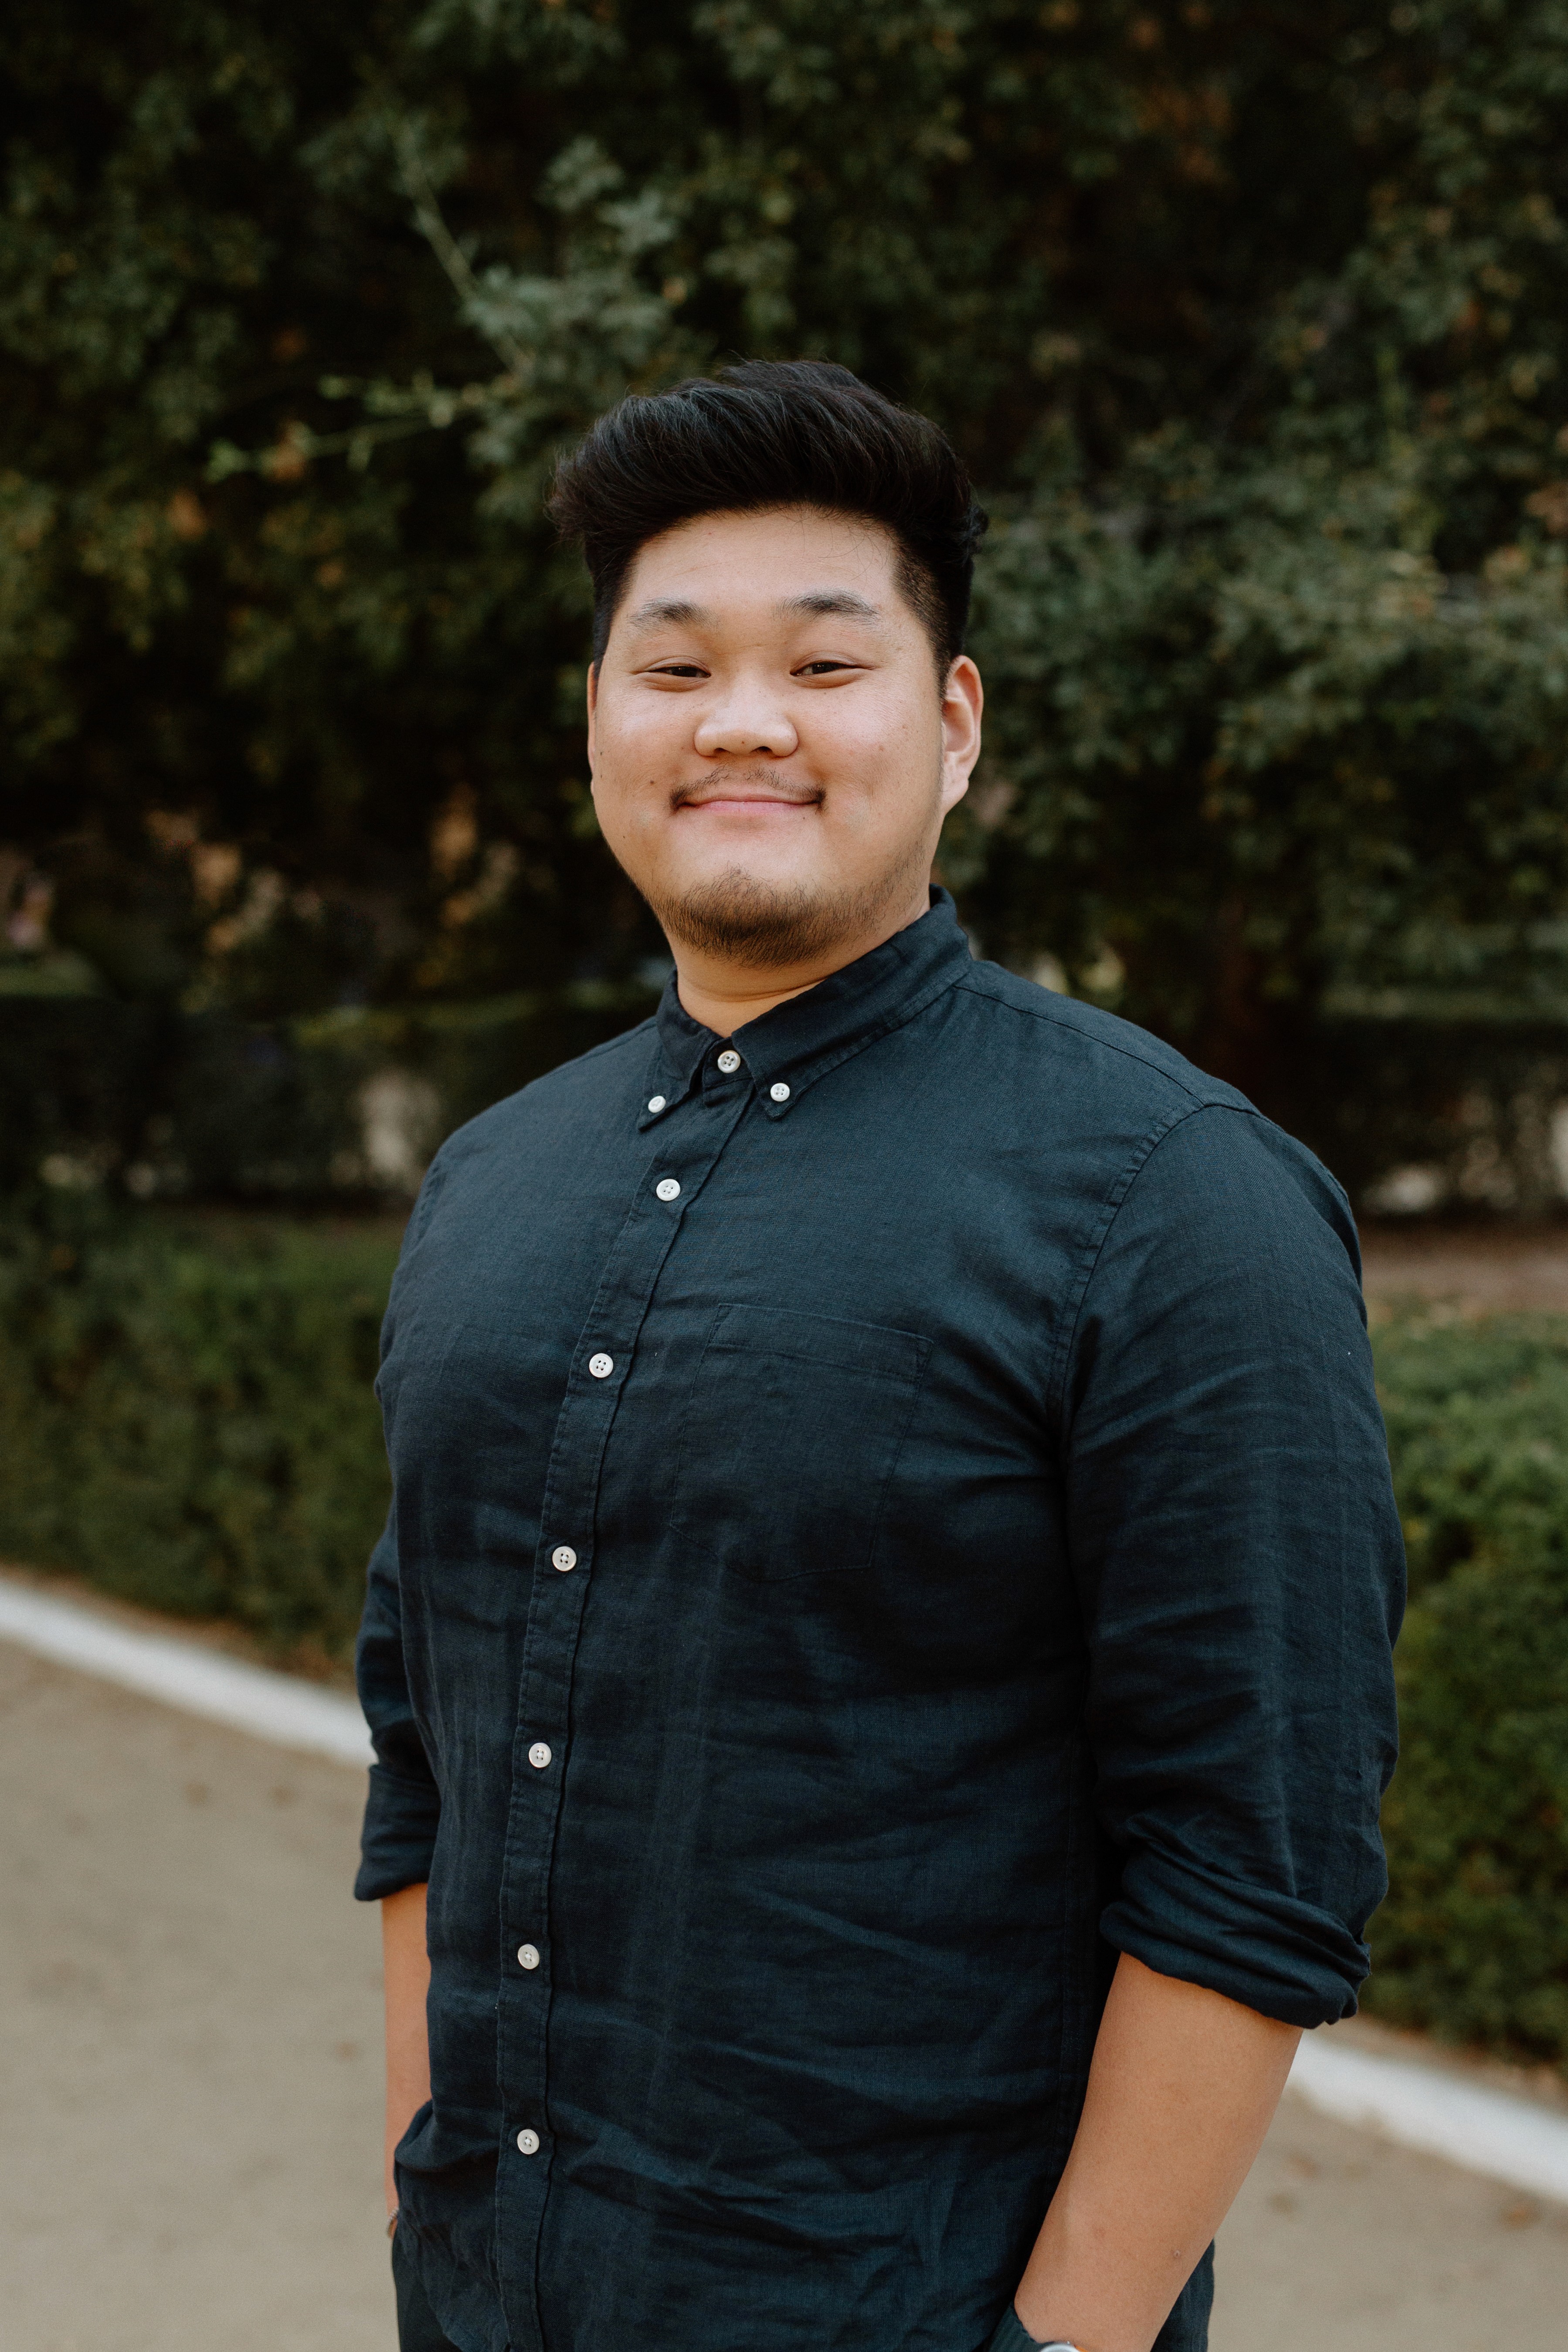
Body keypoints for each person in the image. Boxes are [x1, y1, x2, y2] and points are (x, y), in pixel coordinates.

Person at [355, 360, 1404, 2352]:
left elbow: (1253, 1867)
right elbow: (425, 1751)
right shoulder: (491, 1180)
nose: (742, 720)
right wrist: (432, 2217)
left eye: (823, 666)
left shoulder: (1176, 1198)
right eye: (674, 668)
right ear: (599, 720)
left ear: (953, 724)